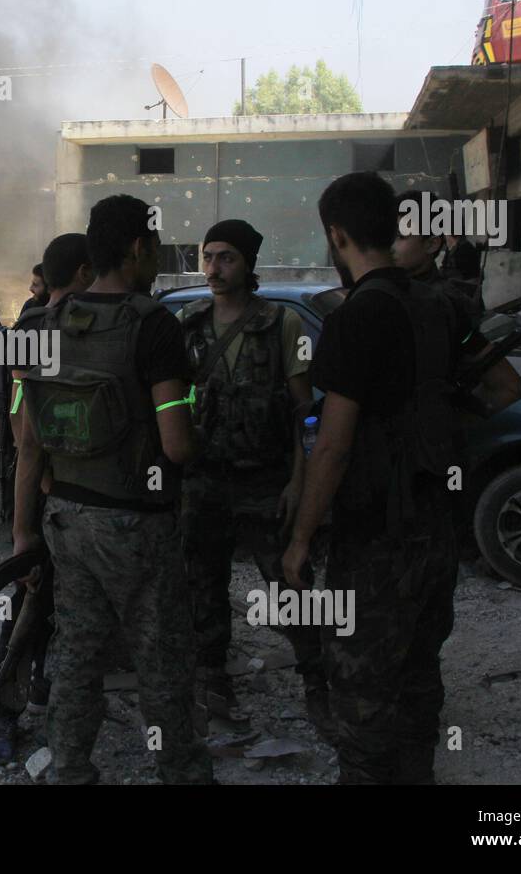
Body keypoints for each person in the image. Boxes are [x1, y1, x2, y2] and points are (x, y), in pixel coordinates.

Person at [281, 172, 521, 784]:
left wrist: (301, 539)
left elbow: (332, 445)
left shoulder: (354, 317)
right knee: (419, 681)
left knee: (361, 700)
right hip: (436, 530)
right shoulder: (444, 306)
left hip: (375, 541)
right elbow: (504, 388)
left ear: (336, 235)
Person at [13, 195, 212, 784]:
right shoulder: (153, 326)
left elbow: (28, 445)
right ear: (137, 248)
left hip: (64, 516)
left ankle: (69, 769)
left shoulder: (42, 325)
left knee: (77, 652)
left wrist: (23, 533)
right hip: (135, 523)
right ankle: (183, 772)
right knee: (163, 659)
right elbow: (176, 445)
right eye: (153, 245)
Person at [176, 220, 323, 730]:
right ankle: (211, 680)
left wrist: (298, 483)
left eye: (226, 258)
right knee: (202, 585)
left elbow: (306, 413)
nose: (214, 268)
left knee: (288, 584)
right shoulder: (190, 325)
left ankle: (318, 681)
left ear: (249, 264)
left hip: (265, 480)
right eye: (208, 256)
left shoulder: (283, 325)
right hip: (204, 480)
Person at [0, 233, 94, 764]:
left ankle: (48, 690)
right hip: (41, 490)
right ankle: (4, 710)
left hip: (83, 499)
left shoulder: (100, 330)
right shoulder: (30, 332)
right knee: (25, 605)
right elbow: (23, 426)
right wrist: (25, 523)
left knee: (73, 611)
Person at [394, 191, 485, 317]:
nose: (389, 245)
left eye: (400, 236)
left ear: (431, 244)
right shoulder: (393, 290)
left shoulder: (441, 304)